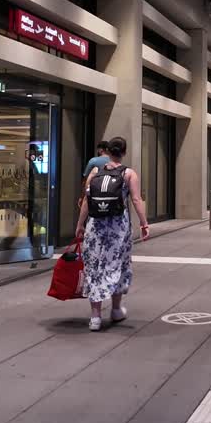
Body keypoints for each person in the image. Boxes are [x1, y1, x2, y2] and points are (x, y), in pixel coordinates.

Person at [75, 137, 149, 331]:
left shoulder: (94, 172)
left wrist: (80, 225)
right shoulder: (128, 174)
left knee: (95, 268)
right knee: (118, 266)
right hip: (118, 229)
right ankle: (116, 310)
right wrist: (144, 223)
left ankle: (95, 317)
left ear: (107, 151)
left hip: (95, 227)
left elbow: (86, 201)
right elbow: (135, 198)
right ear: (124, 152)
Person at [77, 141, 110, 209]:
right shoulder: (113, 161)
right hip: (110, 194)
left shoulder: (93, 161)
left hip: (95, 193)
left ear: (100, 150)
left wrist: (82, 196)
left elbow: (85, 180)